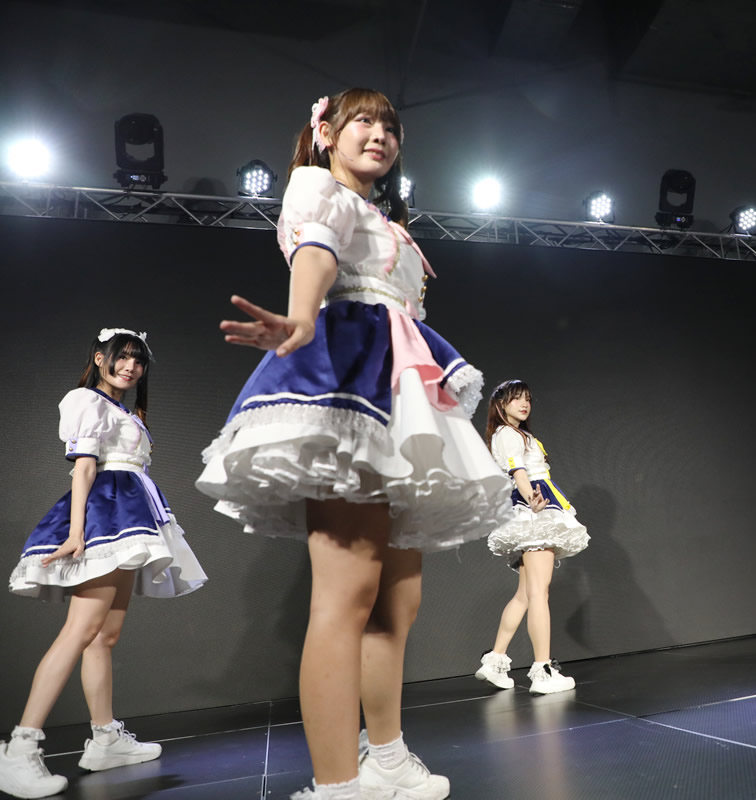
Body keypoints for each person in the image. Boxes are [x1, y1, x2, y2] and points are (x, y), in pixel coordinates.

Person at [195, 89, 511, 800]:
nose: (379, 134)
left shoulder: (389, 222)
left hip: (396, 391)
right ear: (326, 133)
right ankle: (336, 784)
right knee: (345, 596)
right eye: (363, 120)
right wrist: (301, 317)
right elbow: (315, 251)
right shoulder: (317, 187)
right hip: (347, 385)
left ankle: (386, 756)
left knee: (398, 602)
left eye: (390, 125)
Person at [1, 329, 206, 799]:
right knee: (80, 631)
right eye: (122, 357)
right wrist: (77, 533)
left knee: (103, 636)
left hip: (129, 516)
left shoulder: (123, 410)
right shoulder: (86, 401)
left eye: (139, 360)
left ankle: (105, 739)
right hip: (106, 518)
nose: (131, 366)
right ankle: (20, 749)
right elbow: (85, 467)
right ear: (99, 358)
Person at [474, 380, 589, 695]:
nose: (524, 404)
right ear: (501, 404)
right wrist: (532, 500)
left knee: (525, 594)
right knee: (539, 593)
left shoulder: (513, 433)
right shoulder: (509, 434)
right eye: (516, 399)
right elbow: (518, 471)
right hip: (534, 509)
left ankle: (495, 661)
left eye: (527, 399)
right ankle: (543, 670)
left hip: (529, 507)